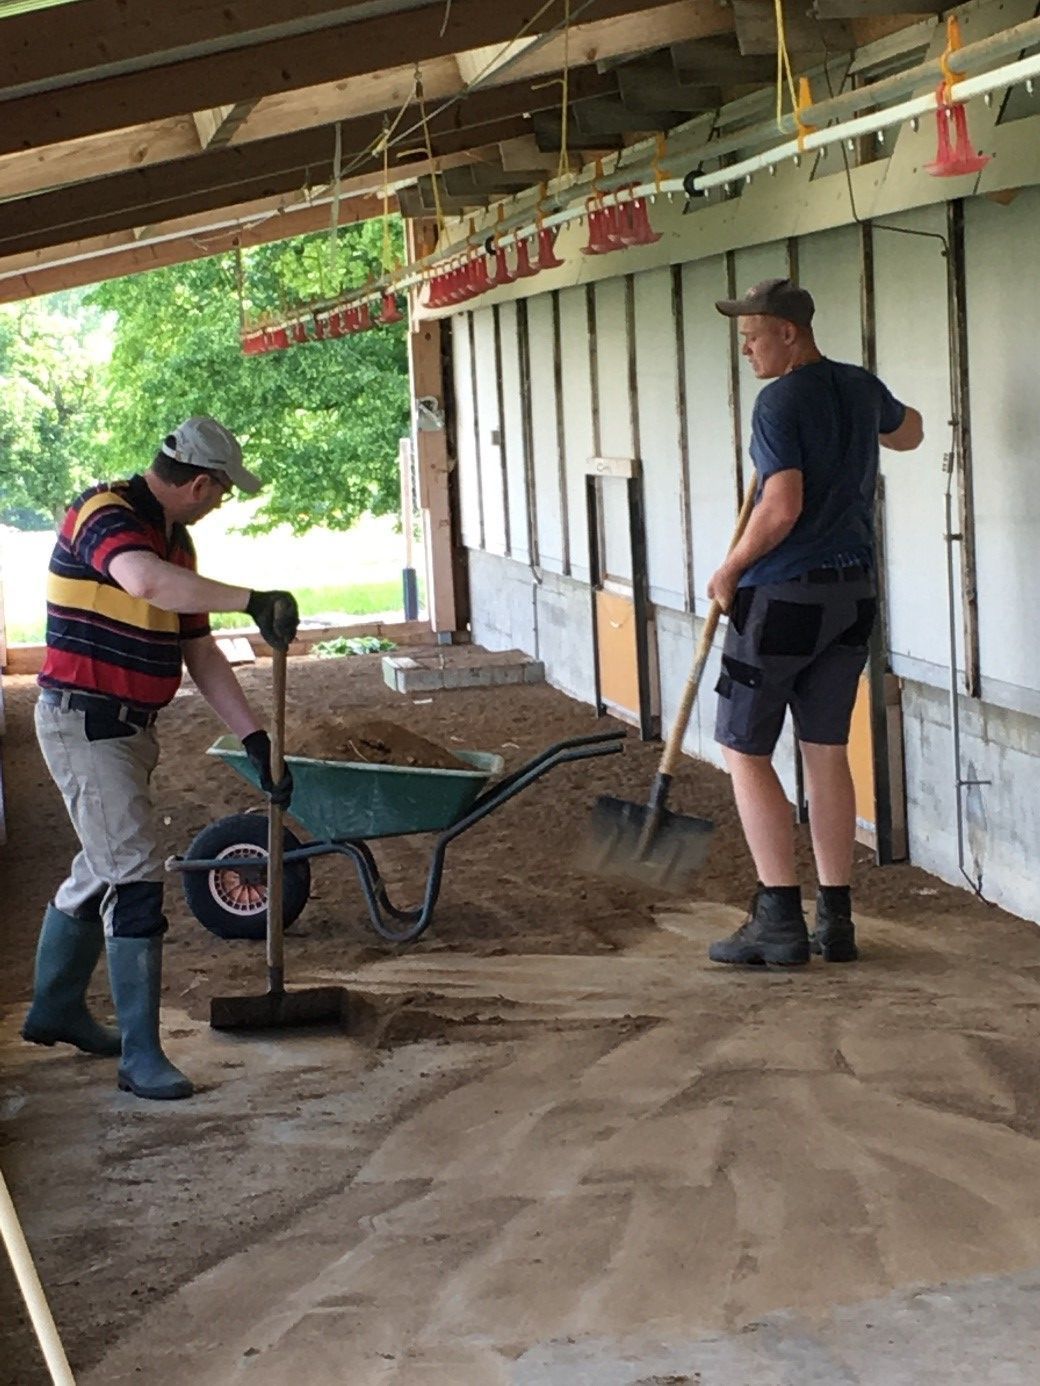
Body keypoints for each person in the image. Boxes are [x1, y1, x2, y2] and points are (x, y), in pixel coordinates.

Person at [21, 416, 300, 1100]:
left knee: (103, 865)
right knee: (136, 873)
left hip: (128, 732)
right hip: (84, 723)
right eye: (223, 491)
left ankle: (55, 1009)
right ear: (198, 483)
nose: (221, 502)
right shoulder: (104, 513)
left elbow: (197, 649)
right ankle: (140, 1056)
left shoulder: (178, 545)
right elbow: (141, 583)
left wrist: (256, 738)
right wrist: (253, 601)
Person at [705, 279, 923, 968]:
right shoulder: (859, 387)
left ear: (790, 334)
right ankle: (837, 920)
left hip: (786, 599)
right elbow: (911, 431)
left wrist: (730, 567)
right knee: (825, 749)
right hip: (854, 595)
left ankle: (777, 918)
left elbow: (782, 505)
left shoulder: (778, 401)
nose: (745, 347)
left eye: (754, 335)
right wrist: (863, 421)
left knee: (744, 748)